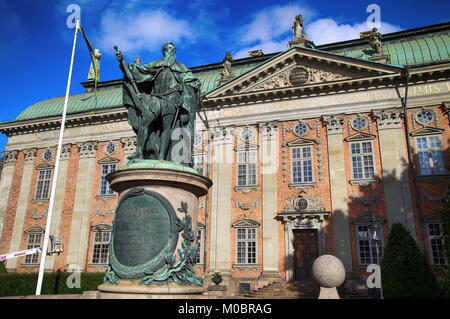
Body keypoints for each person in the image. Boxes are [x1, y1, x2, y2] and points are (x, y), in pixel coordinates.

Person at [116, 42, 201, 164]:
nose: (171, 51)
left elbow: (193, 81)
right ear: (164, 52)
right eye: (168, 49)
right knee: (145, 123)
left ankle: (162, 157)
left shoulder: (182, 68)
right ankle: (139, 151)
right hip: (156, 99)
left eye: (173, 50)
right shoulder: (157, 65)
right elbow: (137, 72)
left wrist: (190, 88)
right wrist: (122, 63)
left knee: (168, 128)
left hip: (172, 102)